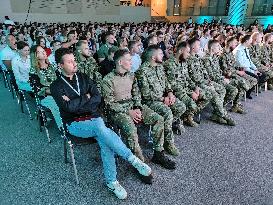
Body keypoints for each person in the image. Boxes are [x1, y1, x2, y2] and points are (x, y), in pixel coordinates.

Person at [50, 48, 153, 200]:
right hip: (74, 124)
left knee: (105, 139)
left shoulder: (84, 77)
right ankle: (133, 160)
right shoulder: (56, 86)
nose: (74, 63)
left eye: (74, 59)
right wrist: (86, 97)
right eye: (70, 61)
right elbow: (68, 108)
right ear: (60, 65)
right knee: (101, 129)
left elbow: (97, 99)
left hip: (94, 118)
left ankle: (112, 182)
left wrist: (77, 102)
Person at [102, 49, 176, 169]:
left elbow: (137, 95)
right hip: (118, 111)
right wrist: (128, 112)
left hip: (133, 106)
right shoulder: (108, 80)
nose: (131, 62)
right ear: (120, 62)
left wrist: (137, 107)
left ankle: (158, 153)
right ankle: (140, 164)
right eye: (129, 60)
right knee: (131, 130)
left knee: (159, 119)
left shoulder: (132, 76)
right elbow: (109, 104)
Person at [136, 45, 187, 156]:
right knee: (167, 113)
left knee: (181, 107)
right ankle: (168, 143)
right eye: (160, 54)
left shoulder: (160, 67)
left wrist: (170, 93)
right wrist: (163, 99)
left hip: (164, 98)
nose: (163, 55)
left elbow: (166, 82)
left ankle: (165, 129)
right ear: (153, 57)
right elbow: (146, 94)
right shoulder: (142, 71)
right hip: (150, 102)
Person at [187, 37, 235, 125]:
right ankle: (224, 115)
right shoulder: (188, 60)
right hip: (197, 84)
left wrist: (209, 81)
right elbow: (194, 77)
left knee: (222, 89)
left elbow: (204, 72)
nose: (200, 46)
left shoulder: (197, 57)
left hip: (205, 81)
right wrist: (207, 83)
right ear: (193, 47)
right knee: (214, 93)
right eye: (198, 45)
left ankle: (217, 113)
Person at [164, 41, 200, 127]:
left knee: (203, 95)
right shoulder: (169, 64)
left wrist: (195, 87)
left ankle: (185, 117)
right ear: (180, 51)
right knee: (193, 106)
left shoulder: (183, 62)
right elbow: (173, 85)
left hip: (185, 88)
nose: (189, 54)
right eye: (187, 52)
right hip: (176, 91)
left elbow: (187, 78)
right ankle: (171, 123)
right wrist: (190, 93)